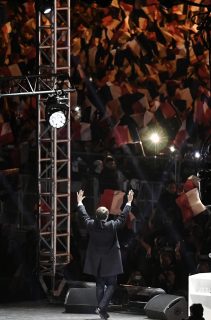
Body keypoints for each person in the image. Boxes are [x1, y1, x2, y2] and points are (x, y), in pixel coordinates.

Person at [76, 189, 134, 320]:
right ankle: (101, 308)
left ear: (96, 216)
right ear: (107, 216)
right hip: (111, 261)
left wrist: (79, 202)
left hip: (97, 260)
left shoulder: (91, 224)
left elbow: (83, 215)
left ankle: (102, 311)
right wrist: (129, 202)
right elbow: (123, 217)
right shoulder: (112, 225)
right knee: (112, 284)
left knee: (100, 284)